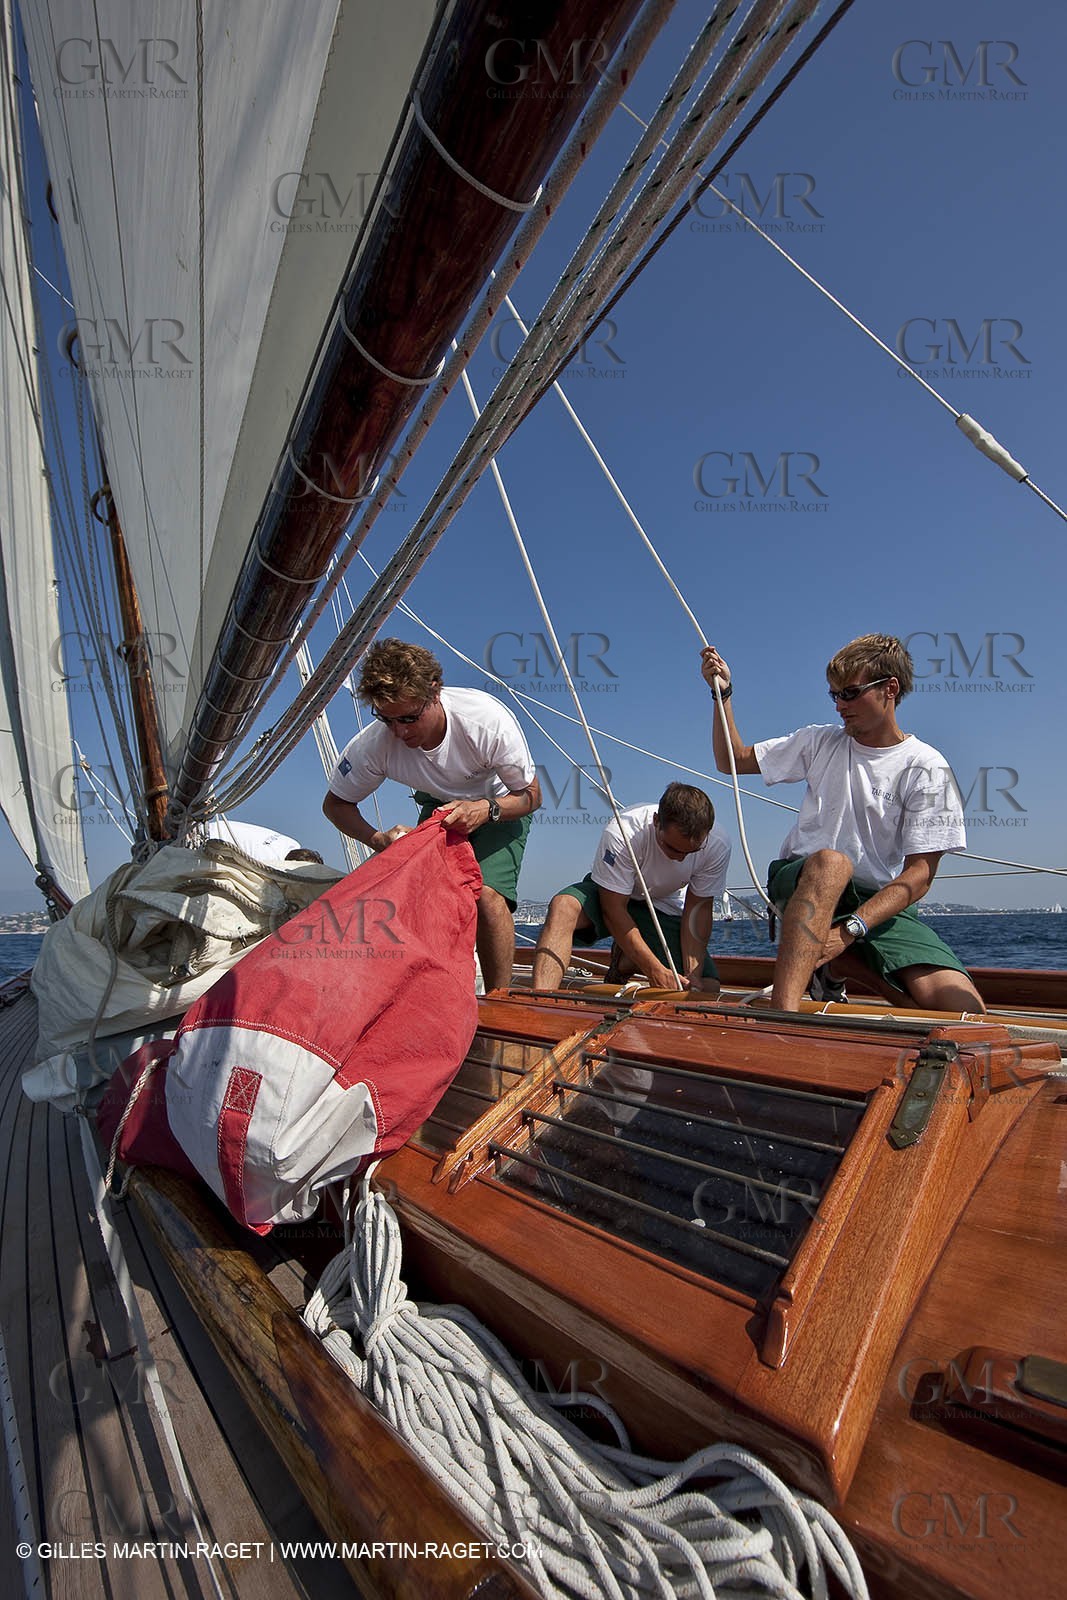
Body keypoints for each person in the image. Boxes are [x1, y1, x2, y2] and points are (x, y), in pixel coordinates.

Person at [700, 634, 985, 1013]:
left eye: (849, 693)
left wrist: (851, 930)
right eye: (834, 695)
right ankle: (784, 1017)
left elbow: (919, 875)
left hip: (874, 903)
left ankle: (840, 966)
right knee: (832, 864)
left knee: (964, 1010)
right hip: (803, 880)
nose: (839, 705)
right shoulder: (819, 742)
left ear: (890, 689)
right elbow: (732, 760)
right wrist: (722, 693)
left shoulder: (927, 767)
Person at [323, 639, 541, 992]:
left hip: (501, 803)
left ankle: (500, 1000)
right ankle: (433, 993)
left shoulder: (486, 722)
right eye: (387, 719)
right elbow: (335, 805)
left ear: (435, 692)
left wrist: (485, 809)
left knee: (487, 896)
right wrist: (379, 840)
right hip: (439, 803)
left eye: (410, 718)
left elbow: (531, 795)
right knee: (424, 898)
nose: (400, 732)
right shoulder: (374, 745)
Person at [531, 783, 731, 992]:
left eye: (691, 852)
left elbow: (698, 911)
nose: (680, 859)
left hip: (663, 905)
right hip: (611, 895)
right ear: (656, 821)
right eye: (672, 848)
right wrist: (654, 970)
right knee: (563, 907)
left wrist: (692, 976)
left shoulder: (717, 844)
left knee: (708, 987)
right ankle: (540, 1000)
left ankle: (627, 959)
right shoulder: (623, 831)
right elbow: (613, 910)